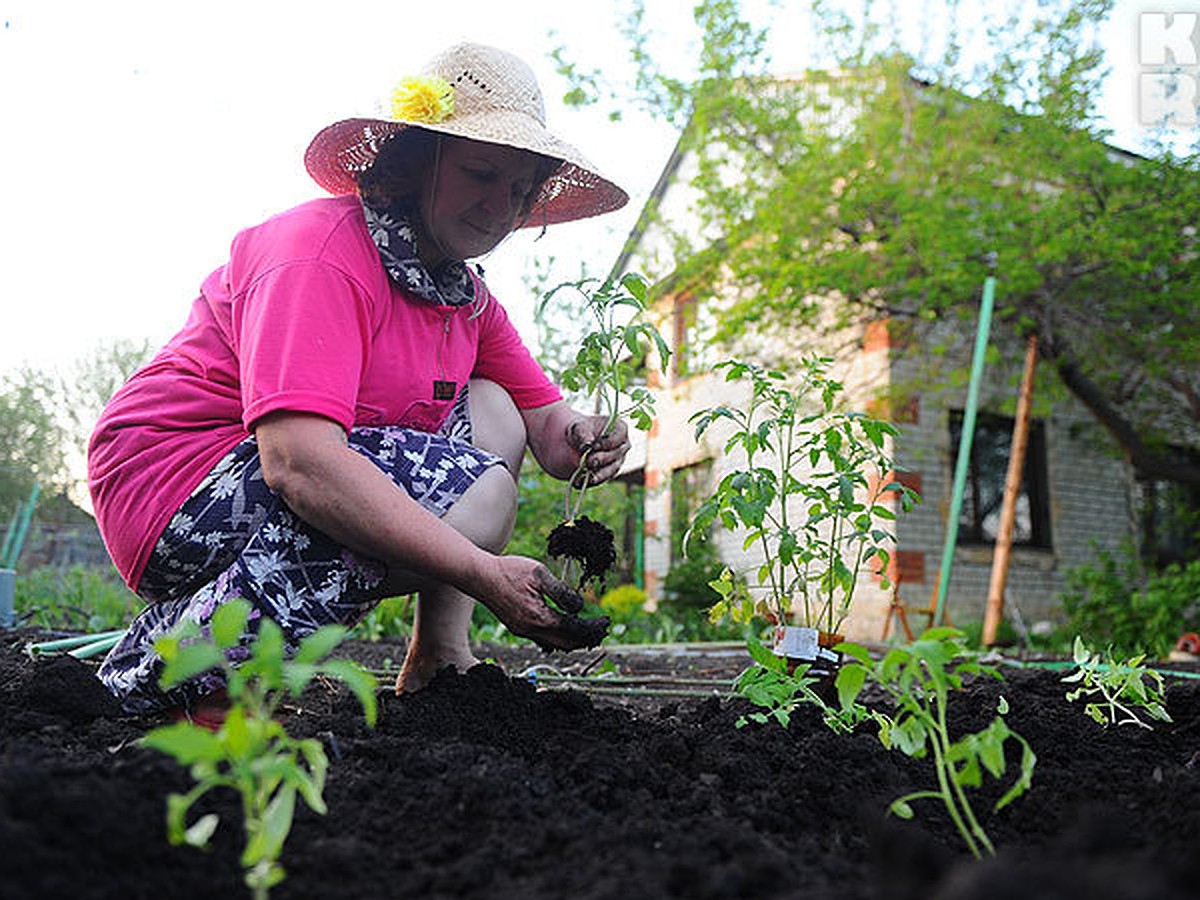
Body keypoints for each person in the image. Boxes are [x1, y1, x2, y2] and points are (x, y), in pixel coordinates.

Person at [89, 42, 631, 715]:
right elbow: (299, 464)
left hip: (268, 481)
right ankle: (173, 673)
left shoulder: (462, 298)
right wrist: (483, 573)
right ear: (418, 160)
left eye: (520, 192)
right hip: (175, 481)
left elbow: (547, 429)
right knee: (477, 495)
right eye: (482, 173)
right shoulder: (320, 255)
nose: (500, 208)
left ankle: (440, 658)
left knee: (492, 408)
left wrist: (587, 434)